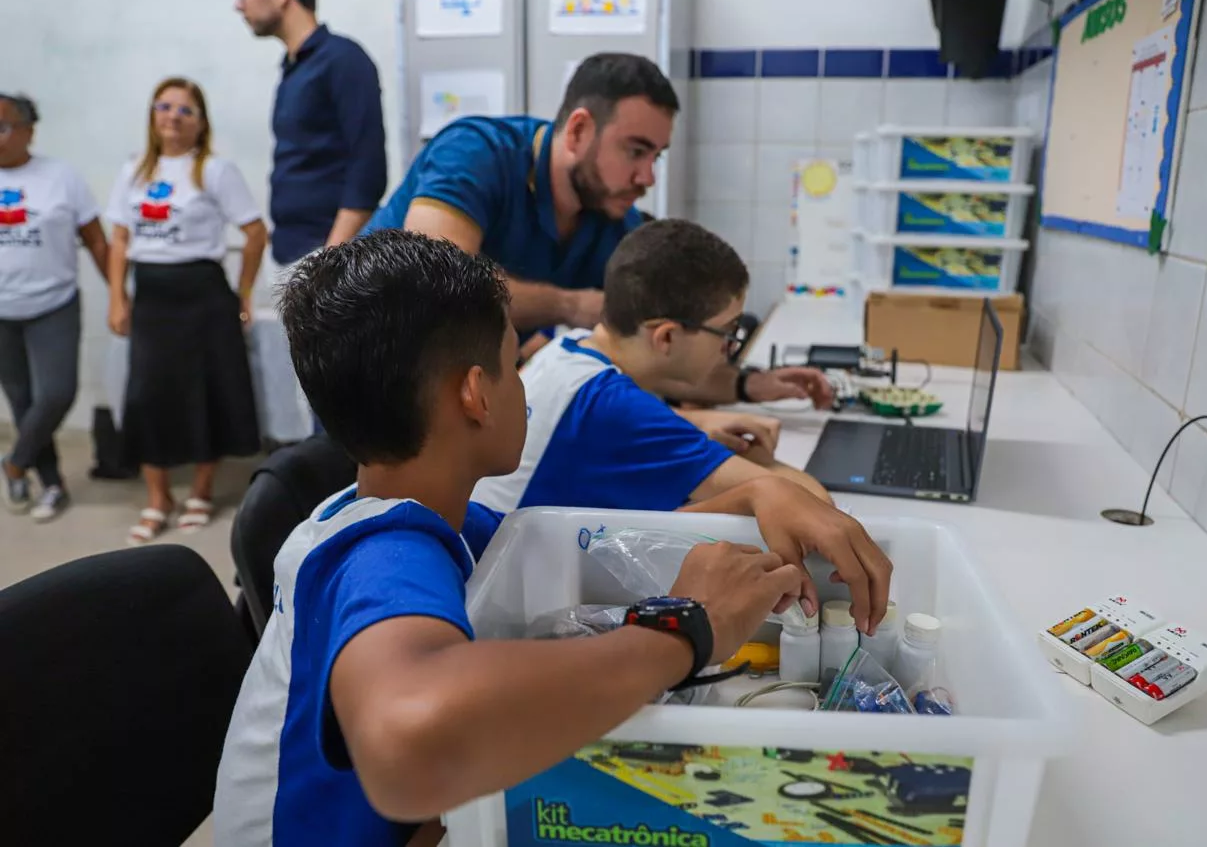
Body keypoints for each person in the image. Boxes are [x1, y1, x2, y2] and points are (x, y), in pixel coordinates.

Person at [212, 230, 891, 845]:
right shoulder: (382, 555)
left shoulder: (430, 515)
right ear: (476, 394)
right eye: (514, 367)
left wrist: (758, 493)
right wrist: (686, 629)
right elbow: (409, 739)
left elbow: (574, 549)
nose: (527, 395)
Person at [365, 52, 833, 421]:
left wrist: (747, 385)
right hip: (374, 372)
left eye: (658, 157)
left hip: (462, 395)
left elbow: (656, 352)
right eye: (635, 151)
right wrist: (570, 305)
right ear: (579, 130)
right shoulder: (476, 152)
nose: (648, 176)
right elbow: (434, 290)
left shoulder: (614, 223)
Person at [471, 218, 831, 517]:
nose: (728, 347)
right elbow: (812, 508)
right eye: (726, 331)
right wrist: (765, 463)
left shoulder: (571, 351)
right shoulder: (614, 407)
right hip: (503, 590)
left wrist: (697, 424)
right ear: (667, 338)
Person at [106, 77, 267, 545]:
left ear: (201, 122)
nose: (173, 116)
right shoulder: (134, 171)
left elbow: (256, 233)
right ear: (153, 115)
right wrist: (118, 297)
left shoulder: (214, 170)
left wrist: (243, 292)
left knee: (204, 390)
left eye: (185, 110)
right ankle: (158, 498)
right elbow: (119, 238)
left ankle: (200, 490)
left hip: (203, 296)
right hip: (152, 297)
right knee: (146, 394)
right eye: (164, 106)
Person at [0, 93, 110, 521]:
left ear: (29, 130)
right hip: (2, 312)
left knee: (57, 393)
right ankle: (52, 485)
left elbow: (97, 240)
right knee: (23, 402)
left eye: (4, 126)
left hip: (53, 304)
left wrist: (121, 293)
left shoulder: (61, 177)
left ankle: (13, 462)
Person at [235, 0, 387, 264]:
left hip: (328, 253)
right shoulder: (292, 68)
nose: (238, 5)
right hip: (290, 251)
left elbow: (368, 169)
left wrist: (330, 259)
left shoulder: (343, 59)